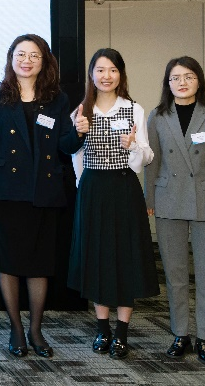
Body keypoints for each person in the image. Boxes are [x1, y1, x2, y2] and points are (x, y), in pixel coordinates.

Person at [0, 35, 83, 359]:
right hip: (6, 193)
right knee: (8, 262)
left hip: (44, 192)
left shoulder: (57, 98)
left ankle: (36, 329)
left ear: (44, 60)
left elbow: (65, 147)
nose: (27, 60)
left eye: (34, 55)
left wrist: (78, 132)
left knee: (40, 264)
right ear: (11, 59)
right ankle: (16, 329)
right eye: (21, 54)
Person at [145, 56, 205, 364]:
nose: (182, 82)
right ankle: (180, 334)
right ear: (168, 83)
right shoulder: (158, 116)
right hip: (168, 199)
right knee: (175, 275)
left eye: (188, 76)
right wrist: (149, 200)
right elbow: (153, 162)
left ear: (199, 81)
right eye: (175, 78)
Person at [67, 48, 158, 360]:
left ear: (121, 74)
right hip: (93, 189)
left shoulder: (133, 109)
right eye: (100, 70)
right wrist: (83, 185)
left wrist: (132, 147)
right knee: (97, 256)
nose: (106, 76)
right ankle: (102, 328)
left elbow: (147, 157)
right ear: (92, 74)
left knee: (125, 256)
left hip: (124, 188)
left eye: (113, 70)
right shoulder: (81, 110)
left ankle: (122, 333)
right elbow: (76, 156)